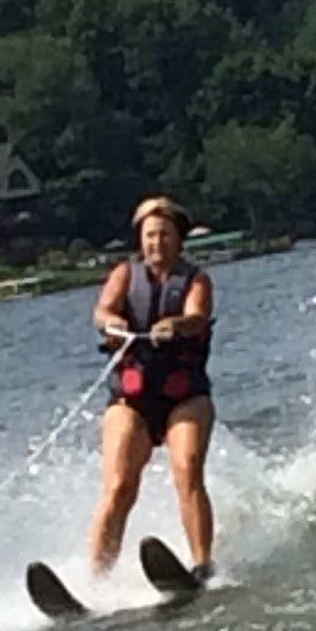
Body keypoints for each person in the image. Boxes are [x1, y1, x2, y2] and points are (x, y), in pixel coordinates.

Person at [88, 196, 215, 579]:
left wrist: (177, 325)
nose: (156, 243)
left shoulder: (196, 280)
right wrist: (112, 323)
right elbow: (102, 311)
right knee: (119, 486)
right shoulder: (125, 275)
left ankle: (202, 565)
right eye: (149, 236)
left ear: (179, 240)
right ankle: (97, 578)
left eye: (164, 235)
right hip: (132, 399)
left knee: (187, 470)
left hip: (185, 397)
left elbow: (198, 316)